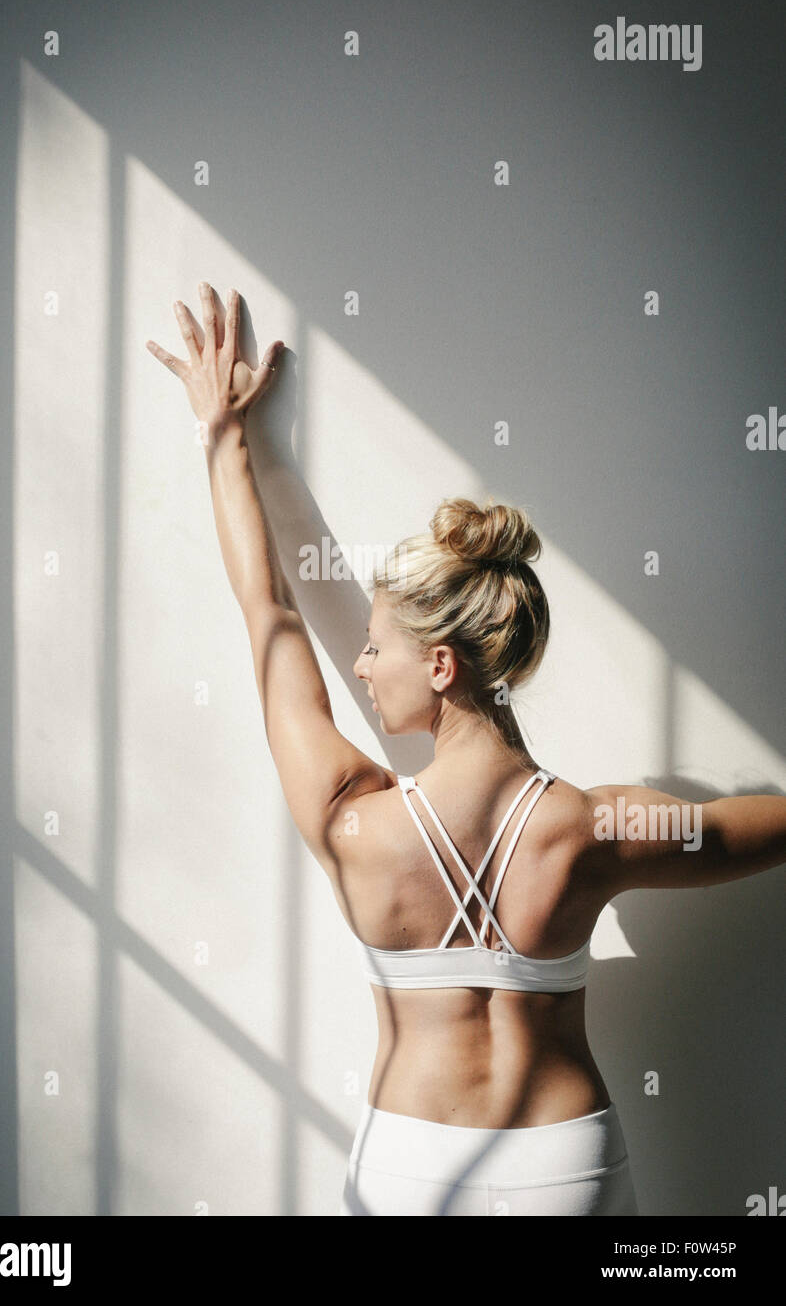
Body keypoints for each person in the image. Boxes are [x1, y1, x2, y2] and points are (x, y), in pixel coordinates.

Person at [147, 283, 786, 1217]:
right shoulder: (591, 828)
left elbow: (270, 611)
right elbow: (747, 832)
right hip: (563, 1167)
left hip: (411, 1168)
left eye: (375, 645)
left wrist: (224, 434)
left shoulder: (348, 816)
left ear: (441, 665)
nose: (359, 665)